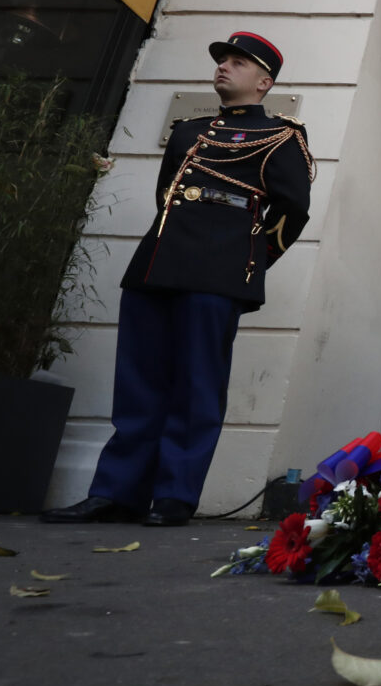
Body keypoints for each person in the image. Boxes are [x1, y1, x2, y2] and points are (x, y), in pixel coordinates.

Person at [42, 32, 314, 527]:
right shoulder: (189, 131)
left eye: (237, 62)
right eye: (222, 60)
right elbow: (166, 195)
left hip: (219, 271)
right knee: (138, 385)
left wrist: (248, 263)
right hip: (158, 262)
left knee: (196, 386)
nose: (223, 68)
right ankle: (117, 493)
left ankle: (173, 496)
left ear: (264, 81)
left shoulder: (282, 136)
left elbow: (292, 212)